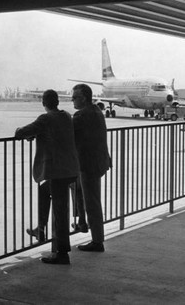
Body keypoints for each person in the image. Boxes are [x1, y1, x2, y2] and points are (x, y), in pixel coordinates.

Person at [15, 89, 79, 264]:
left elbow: (21, 132)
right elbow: (53, 133)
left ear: (44, 102)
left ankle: (62, 253)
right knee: (45, 192)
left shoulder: (45, 118)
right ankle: (41, 229)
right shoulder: (66, 116)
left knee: (60, 212)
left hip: (57, 171)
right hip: (69, 168)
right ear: (57, 101)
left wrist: (24, 132)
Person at [72, 84, 111, 252]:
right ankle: (82, 222)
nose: (73, 100)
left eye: (75, 97)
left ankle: (97, 241)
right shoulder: (96, 111)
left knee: (92, 202)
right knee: (79, 189)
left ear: (84, 98)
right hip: (99, 161)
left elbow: (68, 135)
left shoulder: (81, 116)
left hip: (88, 164)